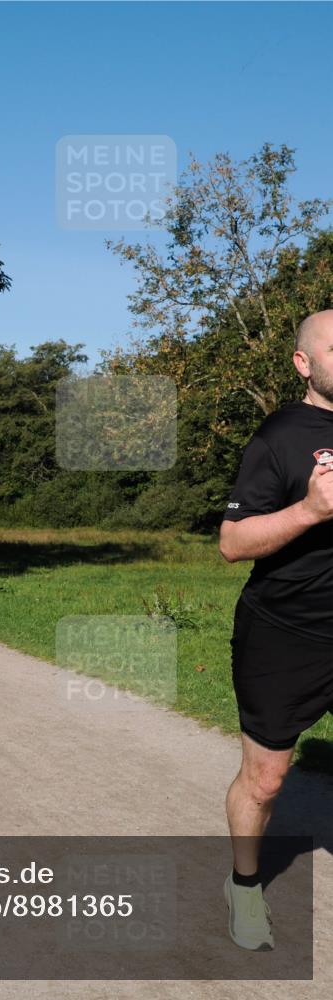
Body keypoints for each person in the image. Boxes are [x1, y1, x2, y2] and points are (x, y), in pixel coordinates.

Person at [219, 309, 333, 951]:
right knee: (266, 780)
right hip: (286, 633)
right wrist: (311, 509)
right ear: (304, 363)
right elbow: (233, 543)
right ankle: (243, 882)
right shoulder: (279, 435)